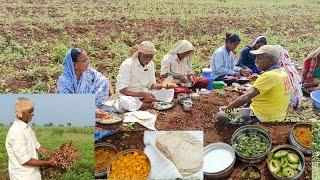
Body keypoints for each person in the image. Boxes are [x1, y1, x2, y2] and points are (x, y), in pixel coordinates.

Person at [218, 45, 291, 122]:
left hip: (262, 117)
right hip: (276, 115)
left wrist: (226, 109)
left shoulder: (269, 76)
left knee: (220, 116)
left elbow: (245, 97)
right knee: (242, 108)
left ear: (269, 60)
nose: (256, 61)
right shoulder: (282, 73)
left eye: (259, 58)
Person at [5, 97, 57, 180]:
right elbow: (26, 160)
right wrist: (48, 163)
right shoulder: (17, 132)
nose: (33, 114)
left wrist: (55, 154)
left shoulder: (27, 128)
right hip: (23, 176)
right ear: (21, 112)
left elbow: (38, 147)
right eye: (30, 111)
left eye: (33, 111)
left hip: (33, 175)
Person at [116, 41, 176, 111]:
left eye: (151, 56)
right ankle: (149, 105)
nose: (148, 59)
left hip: (146, 94)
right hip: (131, 95)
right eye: (146, 56)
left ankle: (146, 103)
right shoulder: (128, 64)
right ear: (140, 54)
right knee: (124, 101)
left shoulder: (151, 64)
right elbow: (123, 90)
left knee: (169, 91)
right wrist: (143, 94)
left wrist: (164, 85)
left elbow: (152, 85)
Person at [56, 48, 111, 119]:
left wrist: (111, 92)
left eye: (87, 59)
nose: (87, 62)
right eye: (84, 61)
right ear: (74, 64)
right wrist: (91, 112)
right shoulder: (64, 81)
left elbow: (102, 79)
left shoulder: (88, 72)